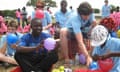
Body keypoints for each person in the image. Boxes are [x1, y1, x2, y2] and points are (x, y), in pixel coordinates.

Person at [60, 2, 96, 66]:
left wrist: (90, 32)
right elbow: (80, 41)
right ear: (79, 13)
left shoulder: (90, 13)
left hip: (83, 30)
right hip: (72, 31)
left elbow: (94, 23)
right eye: (85, 15)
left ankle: (92, 56)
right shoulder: (75, 18)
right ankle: (66, 58)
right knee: (63, 31)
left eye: (88, 15)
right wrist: (87, 56)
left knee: (95, 28)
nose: (87, 17)